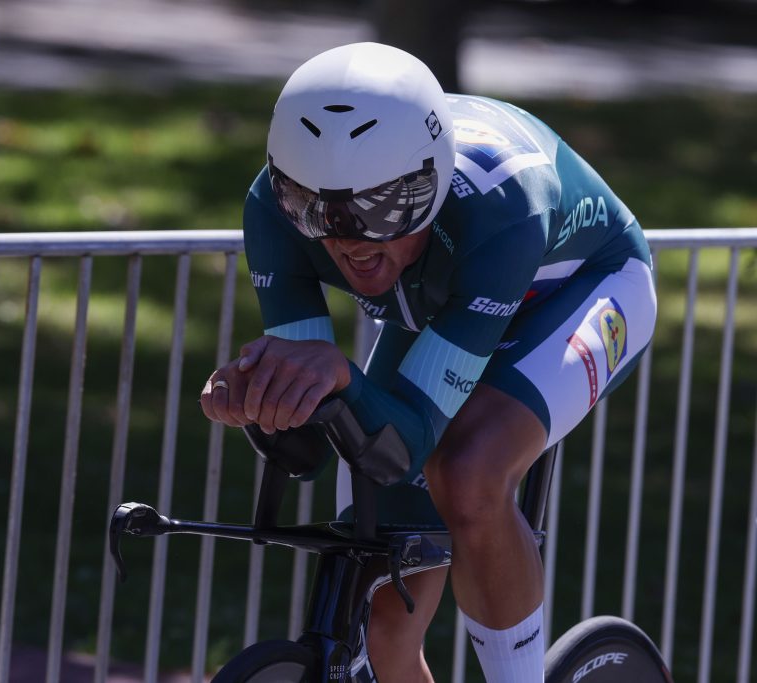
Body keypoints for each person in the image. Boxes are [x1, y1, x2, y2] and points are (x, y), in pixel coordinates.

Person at [199, 42, 656, 683]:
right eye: (315, 210)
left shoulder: (502, 209)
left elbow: (410, 439)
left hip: (584, 286)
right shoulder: (272, 210)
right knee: (381, 620)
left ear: (432, 187)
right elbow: (313, 447)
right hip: (449, 300)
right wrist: (260, 400)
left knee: (468, 471)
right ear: (285, 185)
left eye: (383, 210)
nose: (348, 240)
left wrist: (339, 377)